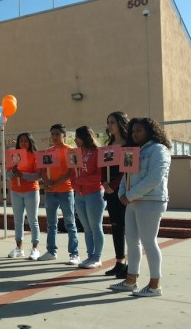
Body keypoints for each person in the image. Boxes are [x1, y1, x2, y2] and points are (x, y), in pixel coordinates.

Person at [110, 118, 171, 297]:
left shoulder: (159, 150)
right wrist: (122, 194)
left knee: (149, 242)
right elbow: (125, 176)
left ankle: (154, 285)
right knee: (132, 242)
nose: (135, 134)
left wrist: (129, 195)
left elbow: (155, 177)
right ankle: (130, 280)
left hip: (151, 201)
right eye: (133, 131)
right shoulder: (133, 151)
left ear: (150, 132)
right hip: (132, 202)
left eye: (139, 131)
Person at [38, 124, 81, 265]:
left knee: (70, 223)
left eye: (57, 134)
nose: (55, 137)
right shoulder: (47, 152)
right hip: (50, 193)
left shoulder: (70, 151)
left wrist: (55, 183)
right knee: (51, 224)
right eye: (53, 134)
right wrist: (47, 182)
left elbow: (70, 173)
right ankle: (51, 251)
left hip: (66, 192)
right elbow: (43, 172)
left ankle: (74, 254)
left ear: (64, 135)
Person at [72, 126, 106, 269]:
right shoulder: (75, 153)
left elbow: (99, 175)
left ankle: (97, 257)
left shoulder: (97, 153)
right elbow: (72, 172)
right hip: (79, 195)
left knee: (95, 226)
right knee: (86, 228)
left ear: (85, 137)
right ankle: (90, 256)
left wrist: (81, 181)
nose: (75, 140)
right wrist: (75, 185)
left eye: (77, 137)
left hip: (94, 194)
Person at [5, 133, 42, 260]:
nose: (23, 143)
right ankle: (19, 248)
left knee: (33, 220)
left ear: (30, 142)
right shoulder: (13, 155)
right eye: (21, 141)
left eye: (26, 141)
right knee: (18, 221)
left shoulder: (35, 156)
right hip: (15, 191)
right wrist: (13, 172)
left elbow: (38, 175)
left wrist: (23, 175)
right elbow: (7, 175)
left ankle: (35, 248)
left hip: (31, 190)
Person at [103, 111, 130, 278]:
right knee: (116, 227)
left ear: (121, 123)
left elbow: (127, 169)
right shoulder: (108, 145)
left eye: (112, 122)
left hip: (124, 191)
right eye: (108, 122)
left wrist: (113, 185)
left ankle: (131, 265)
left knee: (128, 228)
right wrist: (104, 184)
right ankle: (119, 262)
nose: (110, 125)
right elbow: (103, 167)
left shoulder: (129, 144)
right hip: (110, 192)